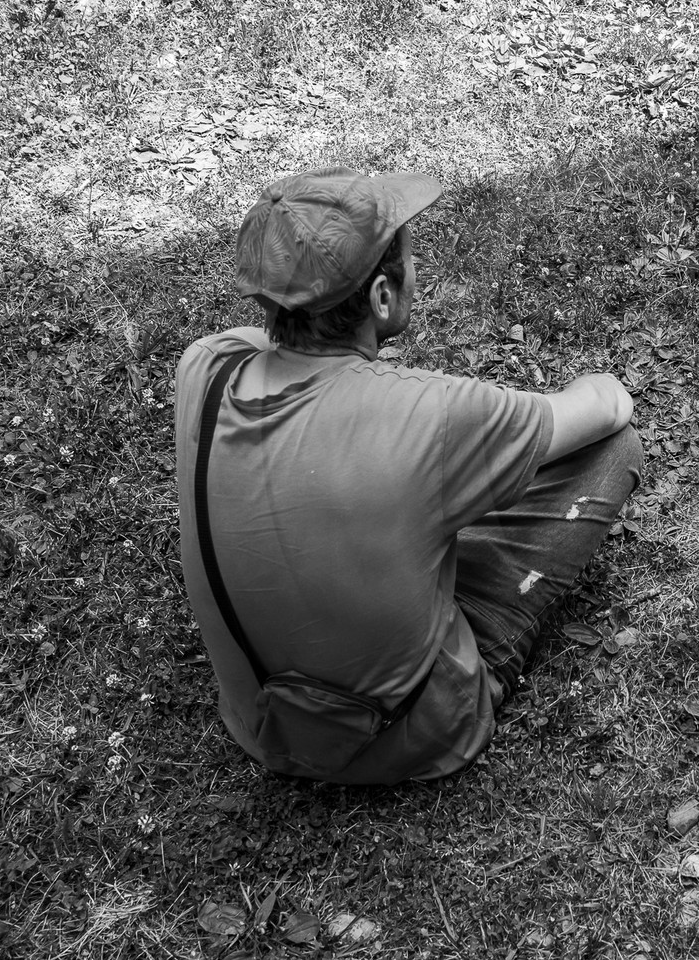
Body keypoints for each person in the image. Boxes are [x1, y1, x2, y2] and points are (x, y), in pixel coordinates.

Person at [174, 168, 642, 784]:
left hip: (257, 725)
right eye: (408, 254)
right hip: (410, 734)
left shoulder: (204, 368)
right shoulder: (432, 415)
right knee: (614, 448)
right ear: (382, 298)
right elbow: (607, 404)